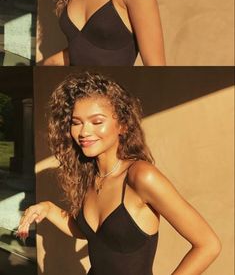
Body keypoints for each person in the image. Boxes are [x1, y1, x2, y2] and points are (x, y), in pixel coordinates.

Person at [17, 72, 221, 275]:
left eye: (97, 122)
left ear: (122, 125)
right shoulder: (89, 176)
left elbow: (208, 245)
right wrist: (48, 209)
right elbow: (92, 235)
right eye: (76, 122)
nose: (84, 132)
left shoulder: (140, 176)